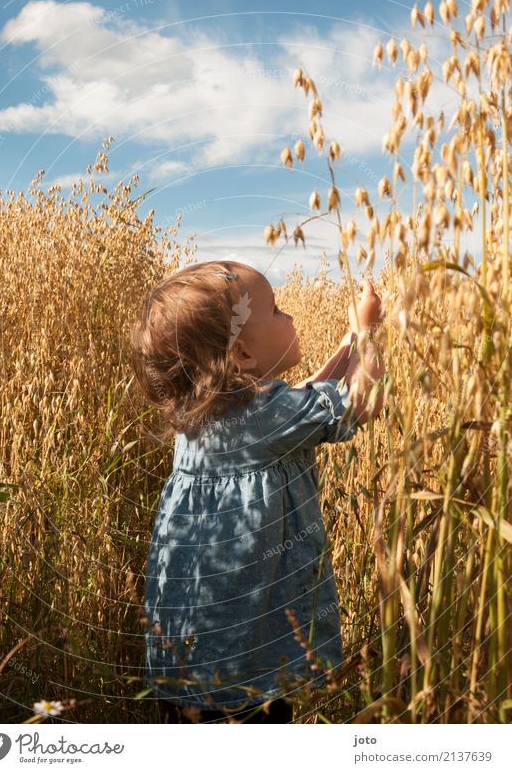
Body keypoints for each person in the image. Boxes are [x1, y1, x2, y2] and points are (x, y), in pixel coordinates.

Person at [129, 260, 385, 724]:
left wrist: (346, 349)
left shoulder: (202, 408)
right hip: (247, 661)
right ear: (243, 355)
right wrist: (367, 332)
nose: (289, 317)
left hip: (192, 650)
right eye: (278, 310)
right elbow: (358, 403)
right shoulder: (268, 413)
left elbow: (309, 397)